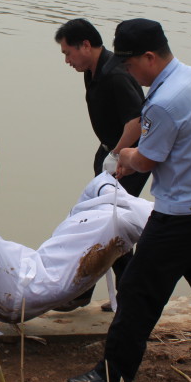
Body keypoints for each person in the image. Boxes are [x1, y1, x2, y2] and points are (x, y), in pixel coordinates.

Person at [66, 19, 191, 382]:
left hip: (184, 215)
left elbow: (146, 161)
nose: (130, 73)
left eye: (131, 65)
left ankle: (113, 373)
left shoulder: (164, 103)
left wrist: (123, 155)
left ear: (149, 57)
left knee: (137, 291)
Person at [54, 18, 149, 311]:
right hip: (109, 152)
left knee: (105, 224)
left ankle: (92, 294)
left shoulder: (116, 74)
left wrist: (118, 155)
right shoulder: (93, 71)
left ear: (86, 45)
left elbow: (137, 120)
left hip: (127, 159)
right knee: (106, 224)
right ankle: (125, 294)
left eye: (68, 53)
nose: (67, 60)